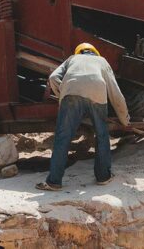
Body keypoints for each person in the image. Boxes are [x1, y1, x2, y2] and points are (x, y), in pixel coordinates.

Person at [35, 43, 130, 190]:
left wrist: (64, 94)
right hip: (97, 92)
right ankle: (103, 176)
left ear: (79, 52)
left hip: (71, 91)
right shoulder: (102, 61)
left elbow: (53, 77)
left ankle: (54, 181)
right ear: (95, 53)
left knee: (62, 137)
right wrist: (125, 119)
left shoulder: (72, 59)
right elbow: (115, 93)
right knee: (102, 135)